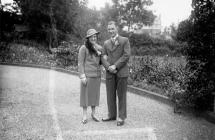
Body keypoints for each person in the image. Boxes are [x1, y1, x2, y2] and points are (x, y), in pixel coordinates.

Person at [101, 21, 131, 126]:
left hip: (121, 72)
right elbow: (103, 57)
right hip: (110, 73)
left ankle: (121, 117)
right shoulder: (106, 43)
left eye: (112, 29)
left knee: (121, 96)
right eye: (109, 29)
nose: (111, 31)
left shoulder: (124, 40)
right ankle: (111, 115)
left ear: (116, 28)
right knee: (110, 95)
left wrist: (115, 66)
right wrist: (108, 66)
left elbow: (126, 55)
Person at [78, 29, 103, 124]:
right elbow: (80, 63)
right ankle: (84, 115)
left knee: (95, 95)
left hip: (97, 76)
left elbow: (101, 61)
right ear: (88, 38)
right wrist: (82, 76)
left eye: (95, 36)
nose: (94, 38)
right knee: (85, 96)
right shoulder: (83, 48)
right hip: (87, 76)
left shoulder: (99, 48)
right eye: (92, 37)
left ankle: (93, 113)